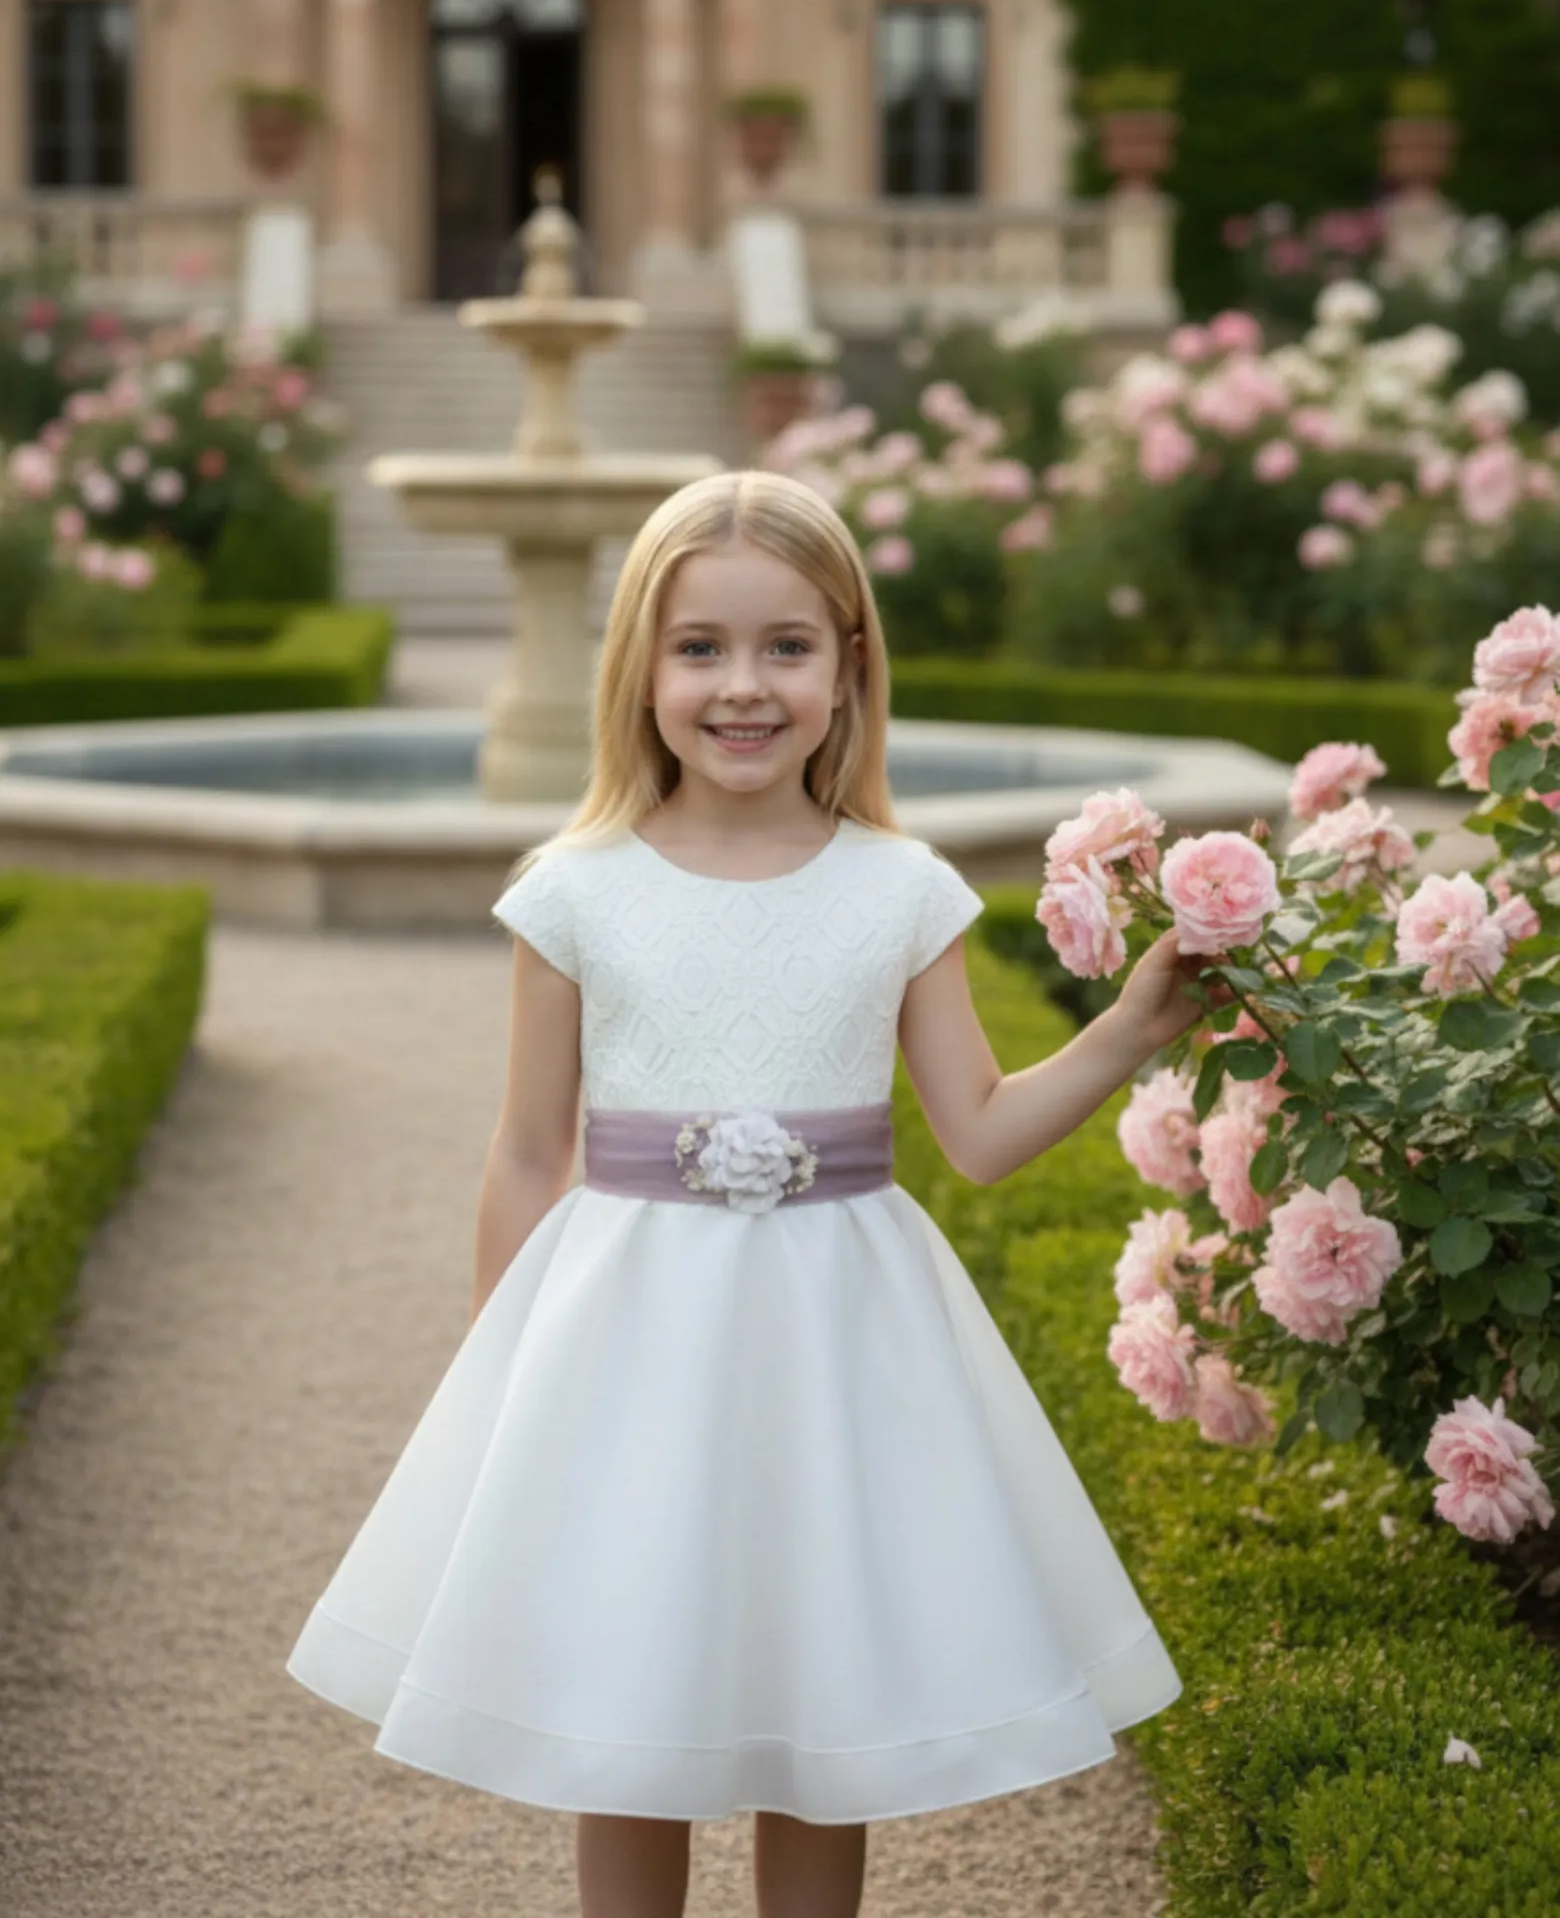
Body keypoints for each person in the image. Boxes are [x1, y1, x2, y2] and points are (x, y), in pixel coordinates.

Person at [286, 468, 1210, 1918]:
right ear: (641, 667)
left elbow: (975, 1132)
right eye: (700, 647)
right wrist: (499, 1377)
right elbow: (527, 1148)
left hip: (838, 1344)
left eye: (786, 646)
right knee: (628, 1683)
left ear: (850, 664)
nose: (743, 686)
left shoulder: (900, 888)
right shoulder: (576, 888)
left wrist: (1132, 1029)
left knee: (816, 1680)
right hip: (627, 1340)